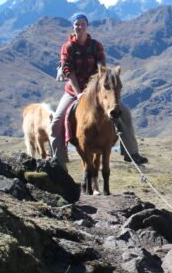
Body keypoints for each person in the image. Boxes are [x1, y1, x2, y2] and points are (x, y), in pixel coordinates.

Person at [49, 13, 148, 169]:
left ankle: (131, 153)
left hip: (96, 93)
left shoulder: (96, 46)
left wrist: (101, 89)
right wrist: (79, 92)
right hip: (74, 91)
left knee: (125, 114)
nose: (79, 26)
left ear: (87, 26)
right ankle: (58, 160)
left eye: (82, 23)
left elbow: (102, 69)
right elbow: (68, 71)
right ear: (73, 26)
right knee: (56, 122)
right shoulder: (67, 47)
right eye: (76, 24)